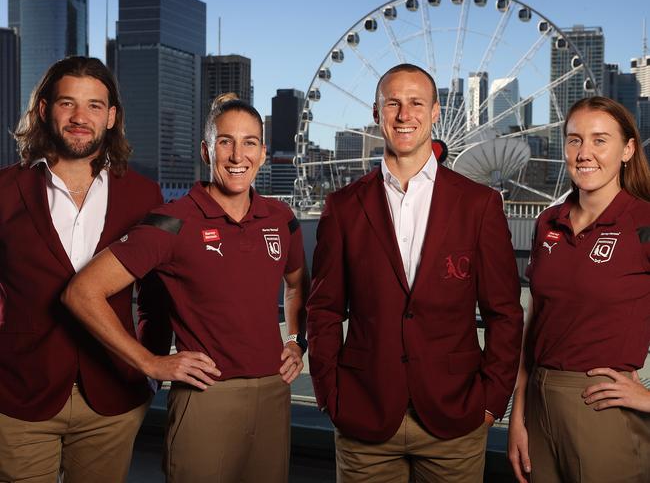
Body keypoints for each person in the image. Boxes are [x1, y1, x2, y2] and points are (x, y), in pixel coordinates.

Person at [62, 93, 309, 483]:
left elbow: (296, 284)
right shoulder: (172, 222)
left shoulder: (282, 219)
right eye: (225, 141)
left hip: (274, 394)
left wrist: (296, 339)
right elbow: (81, 292)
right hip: (206, 396)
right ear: (206, 151)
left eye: (249, 143)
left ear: (262, 153)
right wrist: (150, 362)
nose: (237, 155)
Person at [307, 63, 523, 482]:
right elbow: (325, 310)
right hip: (363, 414)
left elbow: (504, 313)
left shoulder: (479, 205)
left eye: (416, 103)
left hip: (456, 418)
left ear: (437, 111)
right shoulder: (343, 206)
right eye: (394, 103)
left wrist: (491, 401)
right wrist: (329, 395)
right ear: (376, 113)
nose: (404, 115)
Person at [0, 56, 170, 483]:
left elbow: (157, 298)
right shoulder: (3, 191)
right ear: (44, 110)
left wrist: (148, 372)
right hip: (19, 397)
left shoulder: (144, 194)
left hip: (113, 398)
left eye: (94, 106)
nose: (80, 117)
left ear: (111, 117)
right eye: (67, 103)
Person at [508, 96, 650, 483]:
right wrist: (518, 411)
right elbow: (535, 319)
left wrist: (649, 399)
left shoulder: (644, 222)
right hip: (538, 401)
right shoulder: (546, 222)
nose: (585, 153)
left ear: (628, 149)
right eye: (574, 140)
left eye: (600, 140)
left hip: (603, 406)